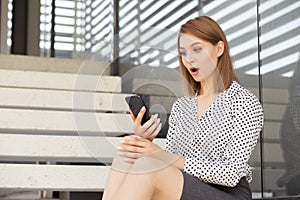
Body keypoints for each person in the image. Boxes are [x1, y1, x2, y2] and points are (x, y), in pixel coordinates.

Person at [102, 16, 264, 200]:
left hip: (226, 194)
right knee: (127, 151)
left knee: (147, 164)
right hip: (185, 186)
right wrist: (145, 140)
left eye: (197, 49)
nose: (189, 60)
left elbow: (230, 174)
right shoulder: (182, 107)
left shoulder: (244, 102)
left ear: (219, 49)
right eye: (183, 53)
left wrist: (160, 155)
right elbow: (171, 161)